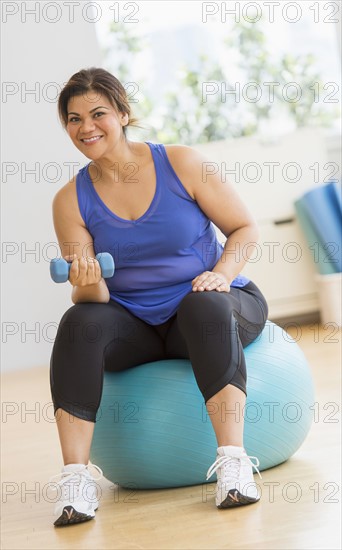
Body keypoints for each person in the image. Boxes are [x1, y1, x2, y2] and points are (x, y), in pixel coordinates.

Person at [49, 67, 268, 527]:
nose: (85, 127)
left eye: (97, 113)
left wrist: (221, 274)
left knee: (202, 305)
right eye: (73, 119)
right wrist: (86, 278)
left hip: (215, 304)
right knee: (79, 323)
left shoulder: (181, 163)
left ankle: (233, 463)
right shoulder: (70, 200)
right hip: (139, 326)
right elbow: (93, 298)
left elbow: (244, 228)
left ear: (123, 113)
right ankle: (75, 481)